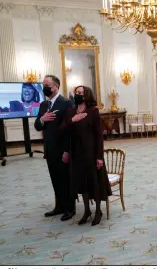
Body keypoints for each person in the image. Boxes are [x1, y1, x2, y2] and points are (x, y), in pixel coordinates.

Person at [61, 85, 112, 226]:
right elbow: (63, 129)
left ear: (87, 95)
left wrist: (100, 157)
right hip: (76, 153)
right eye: (76, 92)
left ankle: (97, 211)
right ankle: (86, 210)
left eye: (81, 93)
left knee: (93, 182)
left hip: (91, 152)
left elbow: (99, 136)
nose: (78, 95)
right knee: (82, 183)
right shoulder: (71, 111)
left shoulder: (93, 111)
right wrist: (73, 120)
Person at [34, 75, 76, 221]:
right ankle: (59, 206)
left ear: (56, 86)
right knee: (55, 179)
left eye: (47, 85)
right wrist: (42, 119)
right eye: (43, 85)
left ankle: (70, 209)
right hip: (49, 149)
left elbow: (70, 129)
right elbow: (37, 126)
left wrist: (67, 150)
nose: (44, 88)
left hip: (63, 149)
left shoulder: (67, 103)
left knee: (66, 180)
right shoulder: (43, 105)